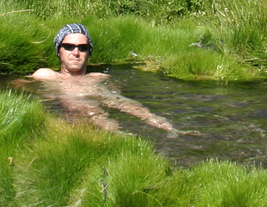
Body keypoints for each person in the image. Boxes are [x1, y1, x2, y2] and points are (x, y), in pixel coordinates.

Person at [26, 23, 177, 134]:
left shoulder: (99, 78)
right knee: (95, 114)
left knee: (130, 106)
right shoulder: (46, 75)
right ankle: (123, 138)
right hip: (75, 121)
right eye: (69, 46)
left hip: (99, 105)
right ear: (59, 51)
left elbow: (118, 99)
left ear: (89, 53)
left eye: (83, 48)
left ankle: (171, 129)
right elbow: (20, 89)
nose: (76, 52)